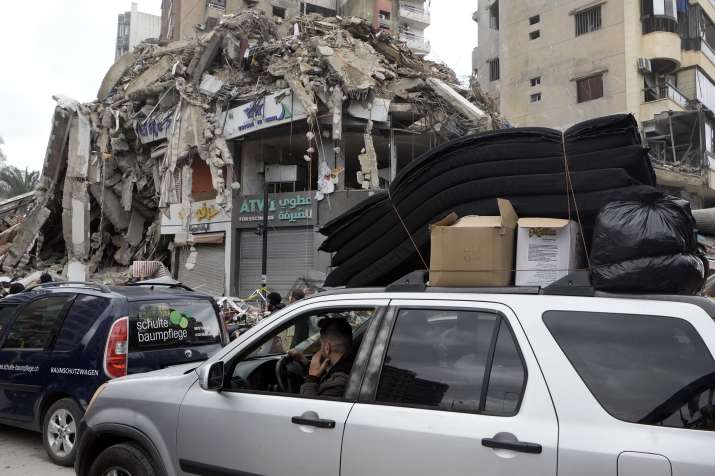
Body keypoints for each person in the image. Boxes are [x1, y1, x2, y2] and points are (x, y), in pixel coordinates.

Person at [290, 317, 354, 398]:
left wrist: (312, 378)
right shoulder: (349, 363)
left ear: (327, 348)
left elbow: (310, 408)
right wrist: (303, 360)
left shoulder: (338, 383)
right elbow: (327, 374)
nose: (320, 349)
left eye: (321, 345)